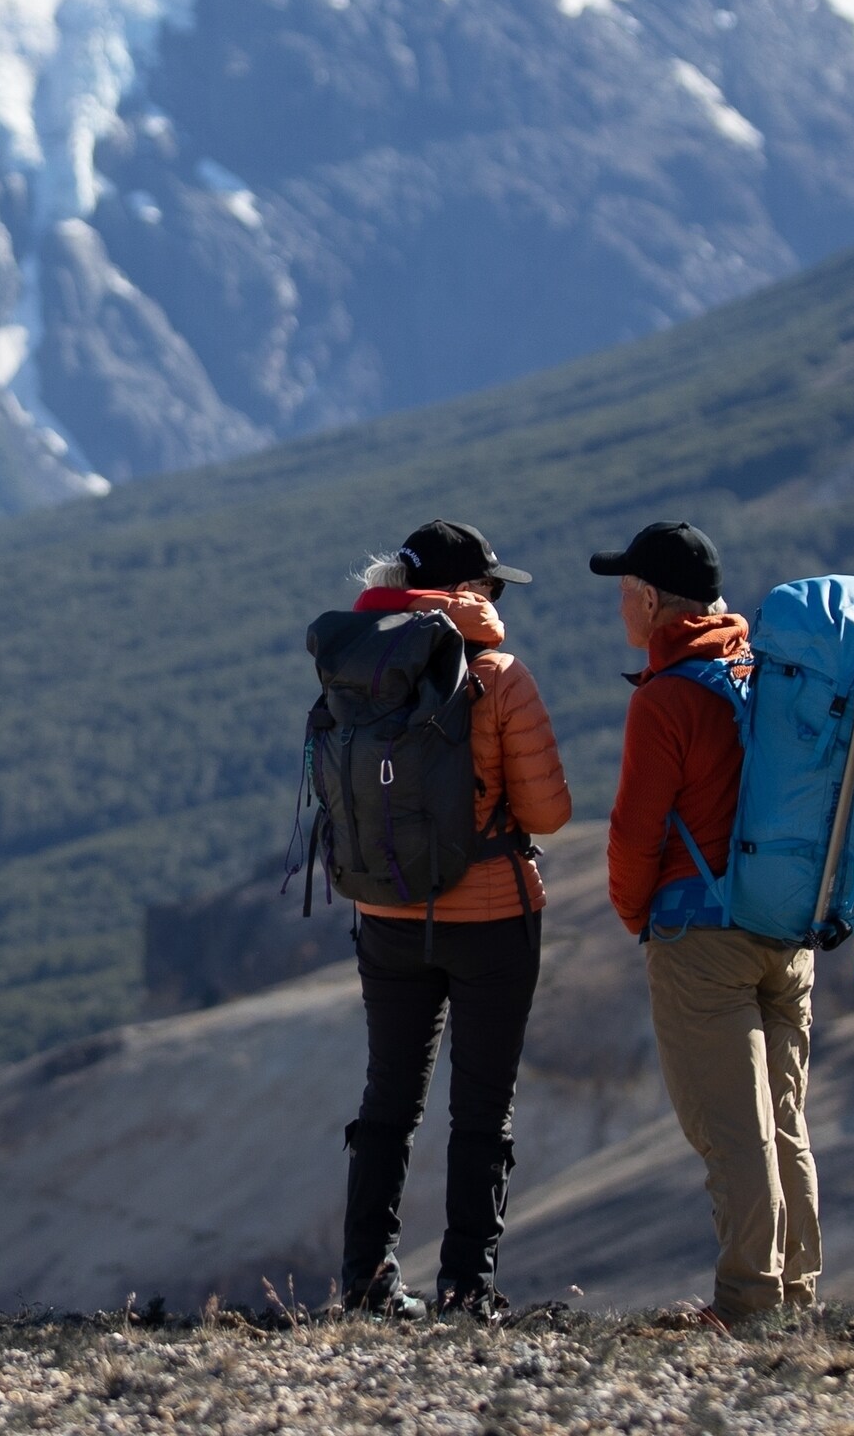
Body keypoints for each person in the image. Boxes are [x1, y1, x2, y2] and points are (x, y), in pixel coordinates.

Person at [334, 519, 571, 1323]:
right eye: (492, 587)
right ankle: (466, 1287)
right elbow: (549, 810)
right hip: (493, 921)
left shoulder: (360, 668)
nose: (497, 599)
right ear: (469, 595)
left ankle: (366, 1279)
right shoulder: (499, 677)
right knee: (481, 1107)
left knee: (388, 1099)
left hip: (386, 912)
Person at [595, 518, 819, 1330]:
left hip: (703, 943)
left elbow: (634, 833)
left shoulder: (668, 699)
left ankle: (749, 1306)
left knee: (732, 1130)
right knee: (784, 1122)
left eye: (625, 591)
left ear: (651, 600)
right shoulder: (763, 672)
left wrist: (637, 915)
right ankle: (795, 1296)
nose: (621, 605)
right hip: (787, 933)